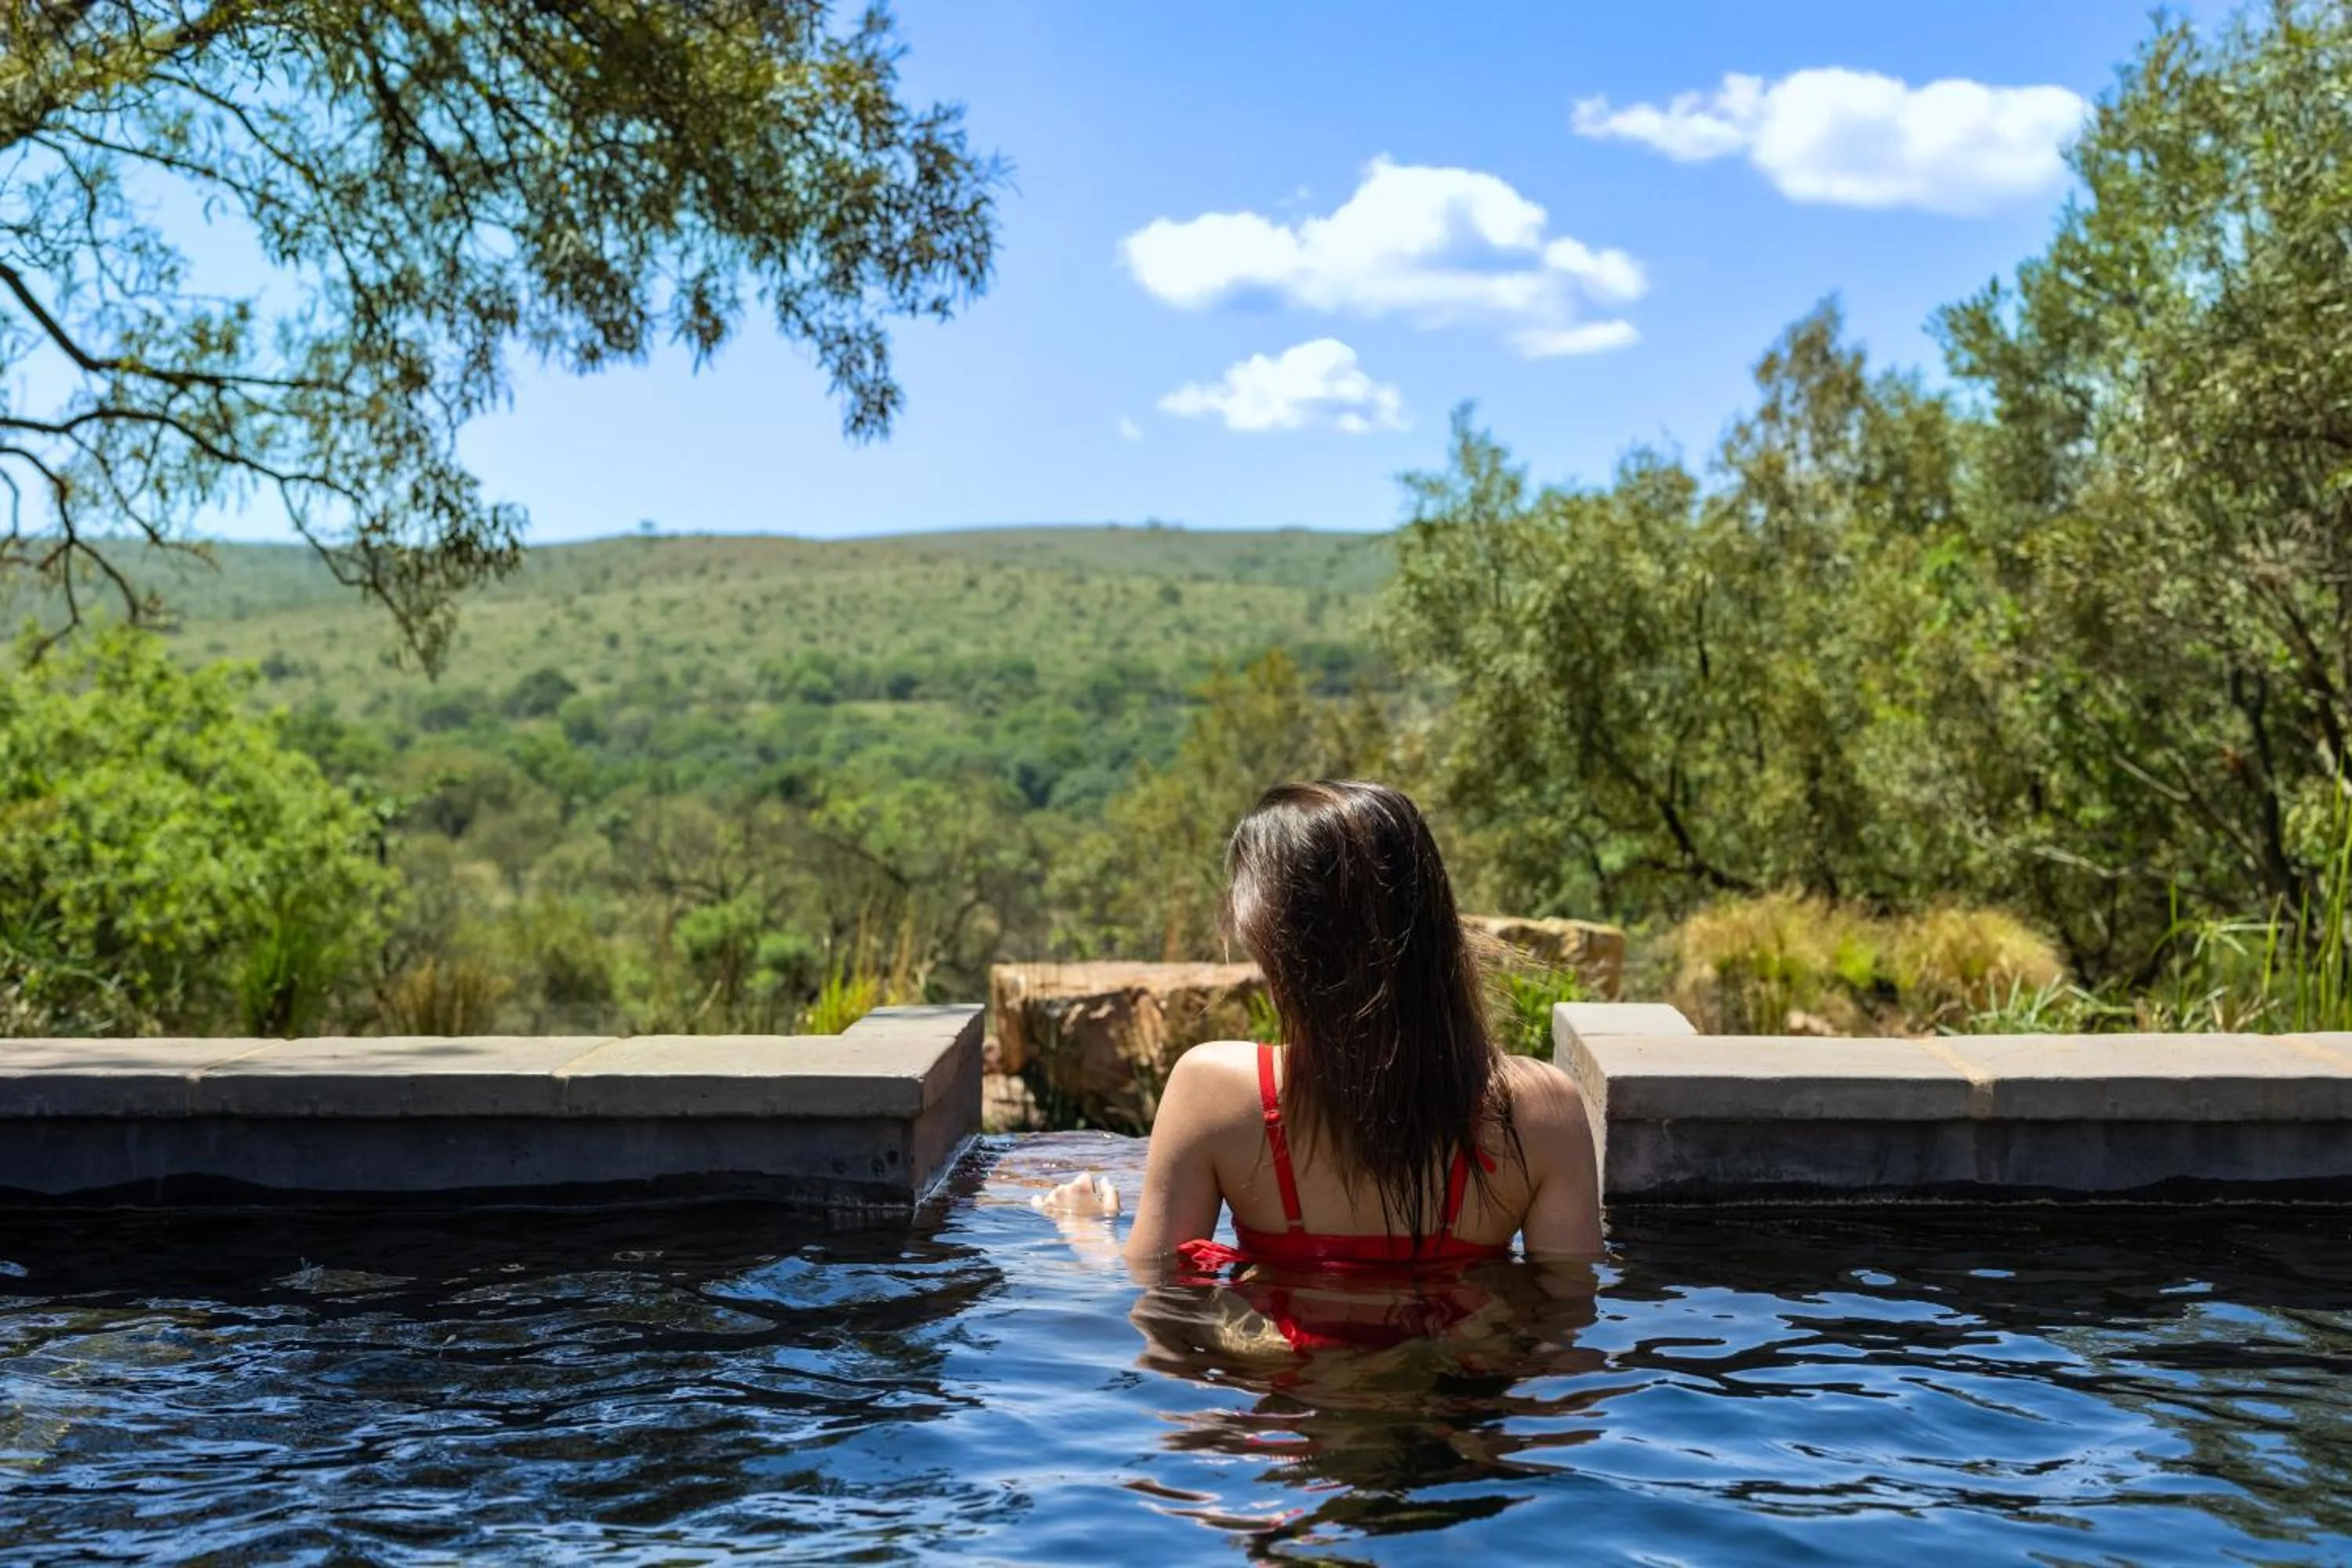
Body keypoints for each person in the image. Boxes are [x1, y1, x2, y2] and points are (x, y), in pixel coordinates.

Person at [1039, 779, 1602, 1348]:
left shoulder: (1214, 1091)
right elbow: (1564, 1342)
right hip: (1460, 1419)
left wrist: (1085, 1232)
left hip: (1287, 1416)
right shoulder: (1541, 1109)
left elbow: (1157, 1316)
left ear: (1278, 944)